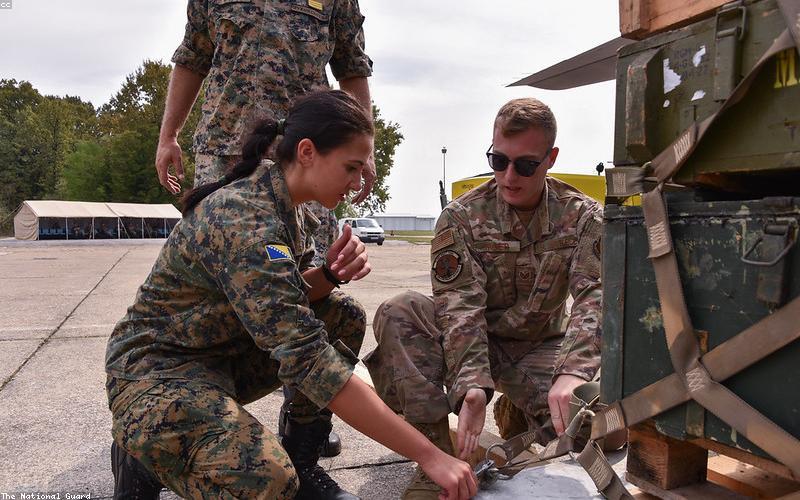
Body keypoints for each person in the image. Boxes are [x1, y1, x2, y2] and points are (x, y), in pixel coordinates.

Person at [106, 91, 477, 500]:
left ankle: (303, 462)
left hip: (219, 356)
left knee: (342, 315)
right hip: (157, 373)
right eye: (351, 167)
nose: (358, 183)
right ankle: (142, 453)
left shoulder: (289, 203)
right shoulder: (245, 218)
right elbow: (309, 361)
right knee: (266, 479)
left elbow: (286, 296)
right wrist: (429, 455)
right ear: (307, 152)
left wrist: (331, 275)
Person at [155, 0, 375, 458]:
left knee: (311, 297)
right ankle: (192, 402)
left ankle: (306, 428)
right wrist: (168, 135)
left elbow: (353, 68)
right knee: (222, 296)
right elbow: (192, 56)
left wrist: (361, 147)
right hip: (226, 150)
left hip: (309, 159)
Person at [364, 97, 603, 499]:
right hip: (472, 343)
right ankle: (438, 456)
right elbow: (460, 308)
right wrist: (472, 387)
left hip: (538, 345)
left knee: (597, 426)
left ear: (551, 158)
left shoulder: (582, 218)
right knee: (399, 310)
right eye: (498, 160)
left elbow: (595, 297)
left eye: (525, 165)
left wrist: (574, 372)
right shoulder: (461, 217)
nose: (509, 175)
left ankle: (518, 414)